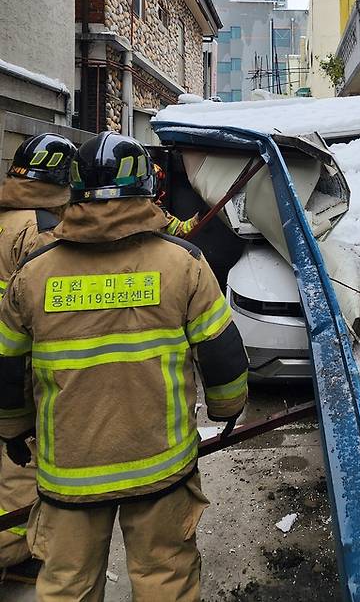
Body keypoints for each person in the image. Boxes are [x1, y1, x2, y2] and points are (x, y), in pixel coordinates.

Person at [0, 132, 248, 601]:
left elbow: (8, 366)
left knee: (67, 586)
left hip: (69, 473)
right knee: (165, 579)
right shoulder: (184, 264)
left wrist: (13, 430)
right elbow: (223, 354)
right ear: (144, 189)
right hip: (161, 468)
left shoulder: (35, 272)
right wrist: (227, 410)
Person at [0, 133, 76, 583]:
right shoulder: (41, 229)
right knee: (20, 458)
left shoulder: (5, 217)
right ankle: (14, 554)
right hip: (15, 360)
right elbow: (45, 305)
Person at [153, 162, 200, 237]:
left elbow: (178, 229)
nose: (162, 192)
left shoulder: (156, 208)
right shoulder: (147, 208)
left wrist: (198, 217)